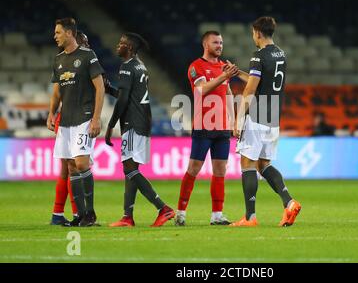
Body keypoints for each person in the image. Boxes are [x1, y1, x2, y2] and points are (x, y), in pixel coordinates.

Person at [231, 16, 301, 227]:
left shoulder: (258, 56)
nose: (253, 36)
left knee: (247, 164)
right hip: (272, 118)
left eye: (253, 33)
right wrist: (238, 73)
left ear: (258, 33)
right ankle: (289, 202)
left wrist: (238, 118)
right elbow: (262, 80)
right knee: (264, 164)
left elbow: (251, 89)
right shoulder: (281, 54)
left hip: (257, 116)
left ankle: (250, 217)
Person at [105, 33, 175, 227]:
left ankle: (163, 208)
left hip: (133, 121)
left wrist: (110, 125)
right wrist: (109, 88)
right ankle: (127, 217)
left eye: (122, 43)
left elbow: (124, 100)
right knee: (131, 169)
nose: (118, 46)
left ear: (130, 48)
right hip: (143, 119)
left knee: (129, 167)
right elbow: (128, 93)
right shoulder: (140, 65)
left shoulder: (127, 67)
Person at [174, 31, 239, 226]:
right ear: (205, 45)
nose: (219, 45)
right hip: (203, 125)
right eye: (215, 42)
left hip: (221, 127)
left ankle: (217, 215)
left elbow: (227, 93)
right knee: (194, 168)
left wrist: (234, 120)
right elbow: (200, 91)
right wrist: (224, 75)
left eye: (221, 42)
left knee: (220, 170)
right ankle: (181, 212)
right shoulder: (196, 67)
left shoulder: (223, 67)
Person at [47, 18, 105, 227]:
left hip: (84, 117)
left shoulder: (88, 56)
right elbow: (56, 91)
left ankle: (90, 213)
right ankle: (80, 215)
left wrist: (96, 118)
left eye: (58, 32)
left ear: (70, 33)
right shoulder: (58, 60)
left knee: (81, 163)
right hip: (66, 120)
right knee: (71, 167)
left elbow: (100, 88)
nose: (55, 36)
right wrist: (51, 113)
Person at [50, 31, 90, 225]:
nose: (87, 45)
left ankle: (60, 214)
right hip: (70, 120)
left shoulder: (77, 62)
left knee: (67, 169)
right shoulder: (73, 62)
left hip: (67, 118)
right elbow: (58, 93)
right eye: (85, 42)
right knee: (71, 168)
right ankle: (76, 214)